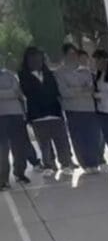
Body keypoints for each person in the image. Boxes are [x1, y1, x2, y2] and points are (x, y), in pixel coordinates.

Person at [18, 46, 75, 177]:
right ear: (27, 61)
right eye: (32, 59)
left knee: (61, 141)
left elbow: (56, 91)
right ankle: (49, 165)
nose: (36, 61)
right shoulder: (23, 76)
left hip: (54, 112)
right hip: (37, 115)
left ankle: (65, 164)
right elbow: (27, 92)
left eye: (38, 58)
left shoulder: (50, 74)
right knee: (44, 143)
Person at [56, 43, 101, 174]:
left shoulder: (85, 71)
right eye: (70, 54)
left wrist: (75, 89)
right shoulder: (60, 72)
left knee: (92, 136)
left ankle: (94, 162)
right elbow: (65, 92)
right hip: (73, 110)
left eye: (74, 54)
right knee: (78, 138)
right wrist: (82, 89)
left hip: (89, 109)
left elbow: (91, 89)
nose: (73, 56)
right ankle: (85, 164)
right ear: (64, 56)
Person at [0, 54, 29, 189]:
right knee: (2, 149)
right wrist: (9, 93)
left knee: (19, 146)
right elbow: (12, 92)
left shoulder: (9, 75)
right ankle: (3, 179)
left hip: (16, 114)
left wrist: (6, 93)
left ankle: (20, 173)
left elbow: (17, 91)